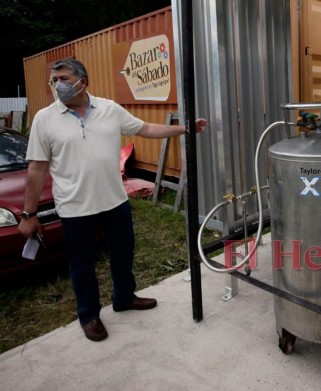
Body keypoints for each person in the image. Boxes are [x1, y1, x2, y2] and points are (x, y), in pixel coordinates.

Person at [18, 58, 208, 342]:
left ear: (83, 81)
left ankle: (124, 297)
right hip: (74, 208)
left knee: (123, 254)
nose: (58, 85)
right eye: (54, 80)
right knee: (82, 265)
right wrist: (28, 213)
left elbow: (145, 129)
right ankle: (89, 314)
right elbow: (36, 168)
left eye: (64, 79)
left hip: (115, 202)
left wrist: (185, 128)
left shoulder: (109, 109)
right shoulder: (44, 119)